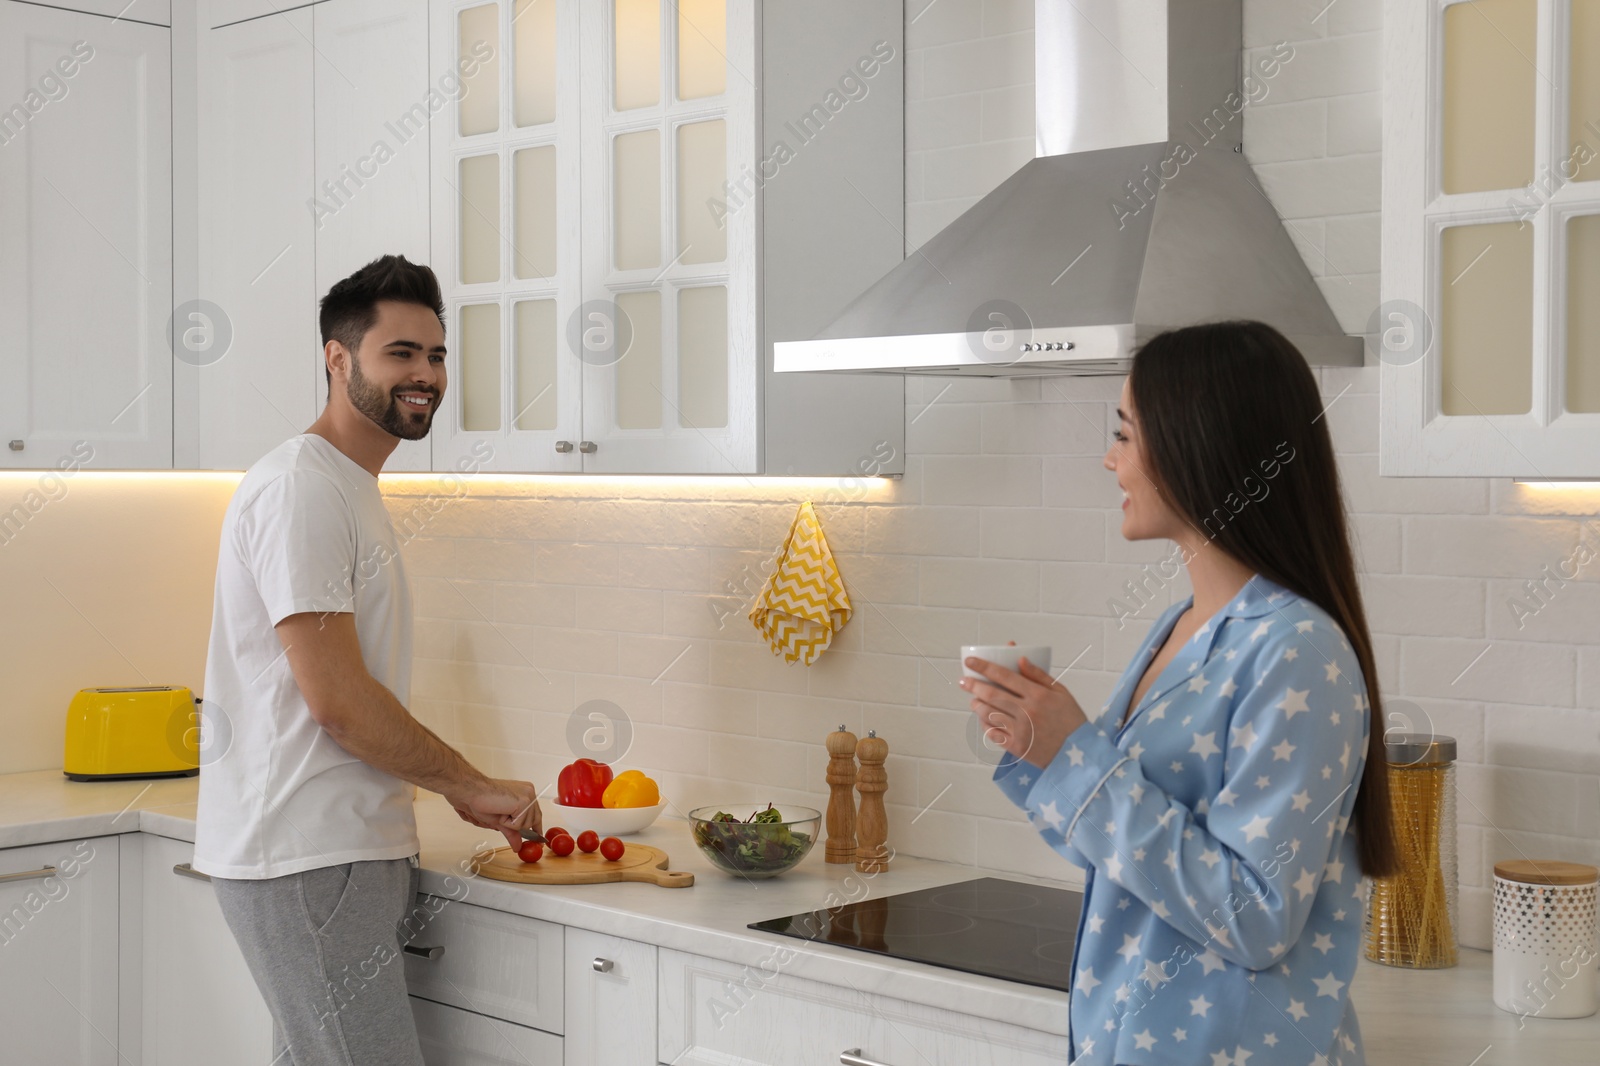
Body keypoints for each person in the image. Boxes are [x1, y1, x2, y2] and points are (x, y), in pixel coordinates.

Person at [961, 320, 1401, 1066]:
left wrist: (1078, 757)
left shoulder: (1294, 651)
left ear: (1200, 446)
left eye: (1126, 435)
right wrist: (1042, 748)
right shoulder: (1184, 626)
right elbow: (1115, 846)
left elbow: (1257, 918)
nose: (1110, 460)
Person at [193, 254, 544, 1065]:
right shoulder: (302, 490)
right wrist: (468, 784)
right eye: (401, 353)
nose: (425, 374)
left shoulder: (347, 485)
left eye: (437, 354)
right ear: (337, 358)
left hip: (337, 850)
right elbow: (339, 702)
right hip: (309, 852)